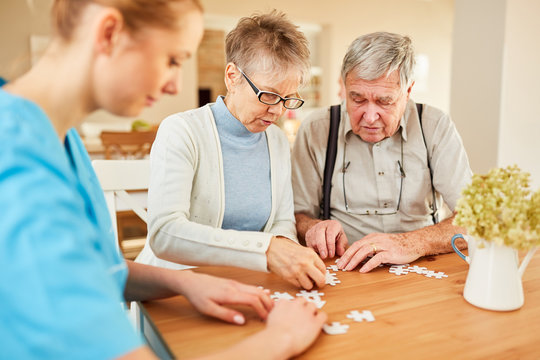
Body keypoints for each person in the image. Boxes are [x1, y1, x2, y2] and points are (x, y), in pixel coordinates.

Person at [0, 1, 326, 358]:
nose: (175, 86)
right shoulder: (17, 157)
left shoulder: (61, 139)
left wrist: (185, 282)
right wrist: (281, 339)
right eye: (172, 60)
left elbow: (97, 270)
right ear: (108, 33)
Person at [136, 11, 326, 290]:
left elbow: (282, 222)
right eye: (269, 95)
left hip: (250, 284)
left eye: (288, 99)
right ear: (232, 76)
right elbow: (165, 234)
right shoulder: (181, 131)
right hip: (176, 286)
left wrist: (286, 248)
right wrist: (266, 250)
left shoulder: (276, 141)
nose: (278, 110)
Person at [292, 32, 471, 273]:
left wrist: (410, 243)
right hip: (344, 269)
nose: (370, 116)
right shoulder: (316, 129)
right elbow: (296, 215)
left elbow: (475, 219)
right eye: (357, 99)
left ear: (408, 92)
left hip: (425, 266)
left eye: (385, 101)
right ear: (344, 87)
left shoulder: (435, 125)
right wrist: (312, 227)